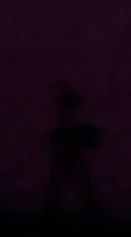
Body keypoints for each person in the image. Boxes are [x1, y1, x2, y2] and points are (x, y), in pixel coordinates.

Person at [44, 84, 103, 222]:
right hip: (67, 157)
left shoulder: (70, 126)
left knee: (77, 190)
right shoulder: (66, 126)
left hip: (71, 157)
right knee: (60, 191)